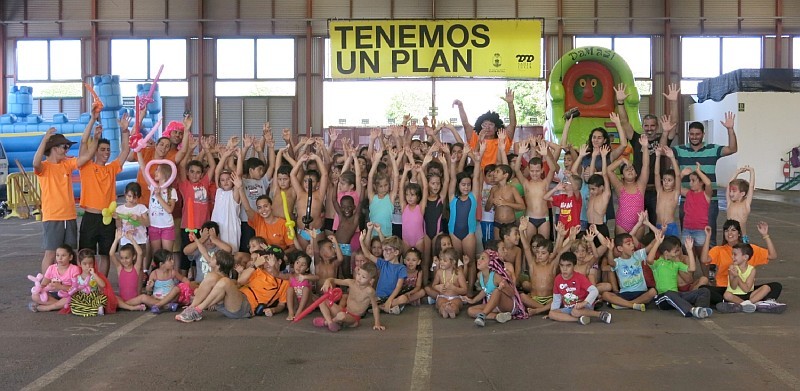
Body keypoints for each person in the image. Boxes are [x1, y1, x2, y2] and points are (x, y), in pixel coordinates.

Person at [33, 127, 100, 274]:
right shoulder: (44, 167)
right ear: (54, 148)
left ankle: (70, 282)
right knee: (51, 253)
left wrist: (95, 139)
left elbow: (86, 157)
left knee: (70, 253)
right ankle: (46, 283)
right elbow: (35, 163)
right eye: (64, 147)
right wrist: (45, 139)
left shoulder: (67, 164)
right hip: (53, 216)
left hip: (69, 215)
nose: (67, 150)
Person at [667, 111, 738, 246]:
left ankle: (709, 258)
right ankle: (690, 257)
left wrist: (730, 129)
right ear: (688, 134)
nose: (694, 137)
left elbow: (732, 149)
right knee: (687, 236)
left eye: (697, 134)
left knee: (709, 235)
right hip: (687, 199)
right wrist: (666, 132)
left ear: (703, 134)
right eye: (691, 134)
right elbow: (662, 149)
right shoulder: (680, 150)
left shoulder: (713, 149)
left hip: (710, 200)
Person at [617, 83, 680, 225]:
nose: (649, 128)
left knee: (657, 225)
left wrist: (674, 102)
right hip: (639, 189)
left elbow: (674, 123)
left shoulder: (663, 138)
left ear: (657, 127)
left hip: (657, 190)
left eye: (652, 125)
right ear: (643, 126)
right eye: (646, 125)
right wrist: (620, 102)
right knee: (635, 223)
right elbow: (624, 121)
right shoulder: (636, 139)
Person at [78, 112, 131, 276]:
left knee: (106, 254)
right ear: (95, 151)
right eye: (102, 149)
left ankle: (102, 285)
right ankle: (86, 284)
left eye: (108, 149)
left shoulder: (111, 168)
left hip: (108, 218)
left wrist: (124, 131)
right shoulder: (86, 166)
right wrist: (93, 123)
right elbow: (83, 143)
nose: (106, 152)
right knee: (86, 255)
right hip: (90, 217)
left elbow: (125, 150)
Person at [701, 221, 784, 312]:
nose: (729, 233)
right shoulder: (719, 250)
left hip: (747, 291)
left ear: (739, 233)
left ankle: (737, 304)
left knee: (776, 286)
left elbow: (772, 256)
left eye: (733, 230)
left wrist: (765, 235)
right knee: (704, 290)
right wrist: (708, 237)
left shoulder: (748, 249)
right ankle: (753, 304)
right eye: (726, 231)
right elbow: (704, 260)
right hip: (726, 289)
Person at [176, 136, 216, 276]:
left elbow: (213, 166)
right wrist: (190, 149)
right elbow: (182, 165)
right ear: (188, 173)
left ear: (202, 174)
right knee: (186, 256)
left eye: (198, 172)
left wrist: (207, 150)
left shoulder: (204, 183)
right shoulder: (185, 185)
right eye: (192, 171)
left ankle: (195, 278)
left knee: (199, 255)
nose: (194, 175)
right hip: (188, 226)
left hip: (203, 227)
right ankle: (184, 281)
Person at [648, 233, 712, 319]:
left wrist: (689, 250)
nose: (678, 254)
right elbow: (649, 260)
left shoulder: (676, 263)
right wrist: (657, 242)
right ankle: (691, 310)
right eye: (675, 251)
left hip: (677, 295)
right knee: (669, 293)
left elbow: (692, 268)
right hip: (663, 298)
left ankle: (700, 309)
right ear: (666, 253)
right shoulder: (658, 264)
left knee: (704, 291)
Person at [176, 250, 252, 322]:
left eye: (213, 258)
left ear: (218, 265)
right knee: (211, 277)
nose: (210, 259)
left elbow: (238, 283)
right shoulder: (213, 277)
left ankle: (197, 310)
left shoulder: (230, 281)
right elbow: (204, 253)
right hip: (226, 307)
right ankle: (191, 308)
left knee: (225, 281)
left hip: (242, 308)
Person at [447, 144, 484, 293]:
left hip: (469, 233)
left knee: (471, 260)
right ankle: (459, 288)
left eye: (468, 185)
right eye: (463, 185)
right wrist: (452, 163)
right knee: (458, 262)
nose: (466, 187)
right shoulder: (452, 197)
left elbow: (477, 178)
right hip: (454, 232)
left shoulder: (473, 196)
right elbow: (452, 179)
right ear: (458, 185)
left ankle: (469, 289)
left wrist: (477, 161)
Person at [452, 88, 516, 169]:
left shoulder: (502, 138)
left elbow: (513, 124)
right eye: (484, 125)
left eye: (491, 124)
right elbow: (465, 123)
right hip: (478, 174)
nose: (487, 127)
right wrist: (460, 107)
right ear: (480, 126)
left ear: (496, 128)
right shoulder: (475, 137)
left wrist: (510, 105)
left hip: (497, 174)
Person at [315, 262, 385, 331]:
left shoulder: (369, 291)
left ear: (371, 280)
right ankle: (330, 322)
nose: (359, 278)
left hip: (354, 318)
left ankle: (326, 322)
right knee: (321, 300)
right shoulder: (351, 282)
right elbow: (333, 280)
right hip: (345, 311)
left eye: (363, 277)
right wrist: (327, 282)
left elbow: (375, 307)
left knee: (341, 316)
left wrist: (377, 323)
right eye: (358, 274)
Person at [466, 249, 529, 327]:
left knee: (496, 291)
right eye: (479, 258)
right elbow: (485, 290)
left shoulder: (496, 276)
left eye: (483, 258)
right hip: (494, 306)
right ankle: (497, 317)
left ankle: (482, 315)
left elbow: (512, 293)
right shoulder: (479, 275)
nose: (478, 260)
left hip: (507, 305)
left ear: (490, 263)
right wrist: (473, 300)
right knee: (470, 310)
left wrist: (503, 288)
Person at [547, 252, 612, 325]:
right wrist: (554, 312)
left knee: (575, 312)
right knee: (551, 313)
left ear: (574, 266)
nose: (564, 269)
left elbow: (594, 291)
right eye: (562, 265)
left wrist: (584, 303)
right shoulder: (557, 279)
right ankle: (579, 319)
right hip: (569, 308)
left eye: (568, 265)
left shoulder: (580, 278)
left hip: (584, 306)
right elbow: (556, 298)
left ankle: (600, 314)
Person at [607, 134, 650, 237]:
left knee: (637, 246)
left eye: (632, 169)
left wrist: (645, 147)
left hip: (639, 224)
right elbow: (609, 170)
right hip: (622, 224)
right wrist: (622, 160)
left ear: (636, 174)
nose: (630, 170)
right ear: (622, 176)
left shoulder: (641, 185)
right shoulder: (619, 187)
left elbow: (646, 165)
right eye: (626, 169)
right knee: (621, 246)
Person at [514, 139, 558, 240]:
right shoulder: (526, 183)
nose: (535, 173)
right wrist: (520, 154)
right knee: (528, 244)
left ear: (542, 170)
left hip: (544, 219)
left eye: (537, 171)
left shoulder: (545, 182)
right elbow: (516, 170)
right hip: (529, 218)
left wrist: (546, 155)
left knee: (544, 244)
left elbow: (552, 169)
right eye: (532, 171)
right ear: (529, 170)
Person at [715, 243, 776, 314]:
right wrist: (735, 277)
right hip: (735, 295)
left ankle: (745, 304)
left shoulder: (752, 269)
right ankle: (748, 304)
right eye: (732, 254)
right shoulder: (732, 267)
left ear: (745, 257)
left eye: (735, 254)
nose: (732, 257)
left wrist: (737, 277)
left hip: (749, 295)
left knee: (766, 288)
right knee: (727, 295)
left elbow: (746, 289)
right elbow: (733, 287)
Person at [600, 234, 656, 311]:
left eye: (632, 243)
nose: (632, 245)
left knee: (653, 292)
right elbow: (611, 263)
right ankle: (633, 305)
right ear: (620, 248)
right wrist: (610, 250)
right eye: (628, 244)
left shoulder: (637, 255)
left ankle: (625, 305)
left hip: (641, 292)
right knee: (605, 295)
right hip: (625, 293)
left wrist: (661, 234)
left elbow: (651, 245)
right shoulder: (618, 261)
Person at [359, 227, 407, 314]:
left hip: (392, 297)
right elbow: (368, 255)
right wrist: (361, 242)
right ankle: (385, 308)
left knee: (404, 298)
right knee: (364, 300)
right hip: (379, 297)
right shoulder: (383, 263)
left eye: (388, 250)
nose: (384, 253)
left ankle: (381, 307)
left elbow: (398, 287)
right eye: (384, 250)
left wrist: (389, 300)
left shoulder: (401, 268)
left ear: (396, 252)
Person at [125, 249, 188, 313]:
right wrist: (149, 286)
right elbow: (148, 290)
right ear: (161, 264)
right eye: (170, 260)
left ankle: (159, 305)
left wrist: (189, 285)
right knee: (143, 297)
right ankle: (124, 304)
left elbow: (183, 279)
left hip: (170, 299)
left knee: (176, 289)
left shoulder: (172, 272)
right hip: (156, 298)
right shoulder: (154, 273)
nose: (173, 261)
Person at [29, 244, 81, 312]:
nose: (60, 258)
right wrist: (39, 288)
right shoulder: (51, 268)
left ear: (70, 257)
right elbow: (44, 284)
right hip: (53, 294)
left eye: (63, 255)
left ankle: (47, 307)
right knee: (35, 295)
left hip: (67, 294)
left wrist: (60, 287)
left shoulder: (74, 269)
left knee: (71, 298)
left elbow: (76, 288)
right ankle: (63, 306)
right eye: (57, 255)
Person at [109, 229, 148, 311]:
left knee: (143, 297)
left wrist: (132, 239)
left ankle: (126, 306)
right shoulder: (120, 268)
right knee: (113, 297)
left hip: (135, 300)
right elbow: (111, 254)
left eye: (127, 258)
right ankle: (131, 308)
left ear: (133, 257)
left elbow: (140, 253)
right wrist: (116, 239)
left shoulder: (136, 268)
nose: (124, 261)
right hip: (122, 300)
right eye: (122, 258)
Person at [213, 143, 243, 250]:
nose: (225, 182)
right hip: (218, 228)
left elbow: (238, 175)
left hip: (231, 230)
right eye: (222, 180)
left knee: (231, 253)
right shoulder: (219, 191)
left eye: (228, 179)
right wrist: (225, 155)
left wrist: (239, 157)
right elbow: (217, 172)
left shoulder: (234, 193)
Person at [425, 248, 468, 318]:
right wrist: (438, 287)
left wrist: (454, 288)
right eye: (441, 260)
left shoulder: (459, 273)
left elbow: (465, 290)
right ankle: (444, 311)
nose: (441, 262)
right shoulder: (439, 272)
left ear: (453, 262)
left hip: (455, 297)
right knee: (441, 304)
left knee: (455, 306)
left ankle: (452, 311)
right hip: (442, 296)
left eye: (444, 261)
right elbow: (433, 285)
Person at [368, 150, 399, 238]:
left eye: (386, 185)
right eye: (380, 186)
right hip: (373, 235)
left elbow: (396, 176)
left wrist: (393, 159)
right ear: (375, 187)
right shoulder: (372, 197)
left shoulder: (391, 197)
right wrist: (377, 160)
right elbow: (370, 177)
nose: (384, 188)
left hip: (387, 235)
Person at [654, 144, 681, 237]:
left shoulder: (675, 193)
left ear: (674, 182)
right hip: (658, 226)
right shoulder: (659, 191)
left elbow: (678, 175)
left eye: (669, 180)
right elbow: (656, 174)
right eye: (664, 180)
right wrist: (657, 156)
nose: (666, 182)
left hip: (671, 227)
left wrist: (672, 157)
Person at [115, 182, 149, 249]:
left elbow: (147, 223)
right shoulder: (119, 209)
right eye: (129, 196)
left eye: (135, 197)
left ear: (138, 197)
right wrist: (118, 218)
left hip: (140, 240)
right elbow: (119, 226)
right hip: (126, 241)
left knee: (140, 255)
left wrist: (139, 218)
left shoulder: (141, 207)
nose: (131, 199)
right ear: (125, 194)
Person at [285, 254, 318, 321]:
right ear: (294, 263)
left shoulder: (308, 276)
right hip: (296, 305)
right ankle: (291, 313)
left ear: (307, 269)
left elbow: (317, 277)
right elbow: (277, 274)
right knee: (290, 289)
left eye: (303, 265)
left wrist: (305, 277)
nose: (299, 266)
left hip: (306, 306)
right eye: (297, 263)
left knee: (306, 289)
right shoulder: (291, 276)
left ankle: (299, 313)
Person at [726, 166, 755, 242]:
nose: (731, 193)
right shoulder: (730, 203)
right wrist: (736, 173)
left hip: (742, 238)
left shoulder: (746, 204)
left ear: (742, 193)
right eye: (730, 191)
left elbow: (751, 186)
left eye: (734, 191)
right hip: (729, 237)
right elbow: (728, 186)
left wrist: (751, 171)